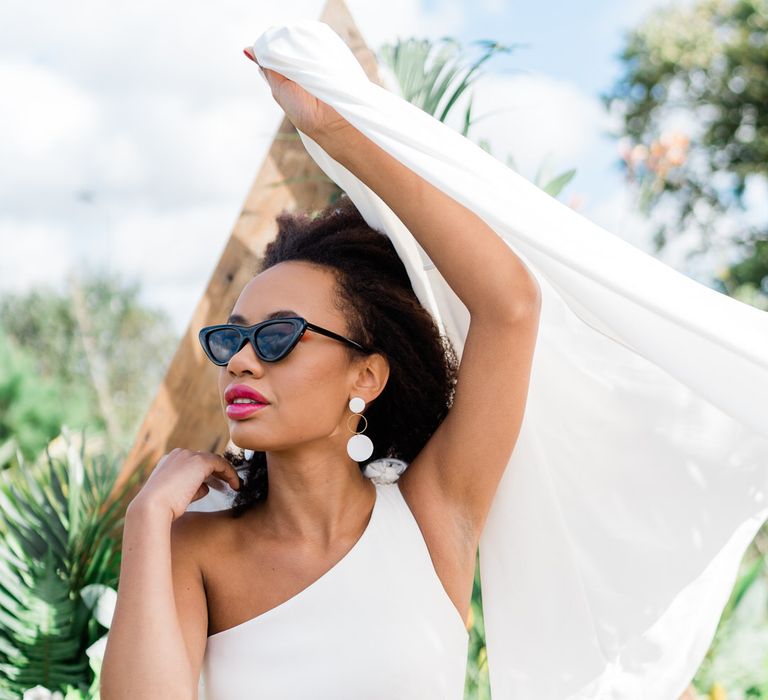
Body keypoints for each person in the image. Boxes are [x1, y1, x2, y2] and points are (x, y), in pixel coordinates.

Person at [99, 45, 542, 699]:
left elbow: (511, 307)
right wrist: (146, 516)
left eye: (277, 337)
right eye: (233, 339)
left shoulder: (432, 517)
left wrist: (335, 133)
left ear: (365, 377)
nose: (242, 360)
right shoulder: (194, 548)